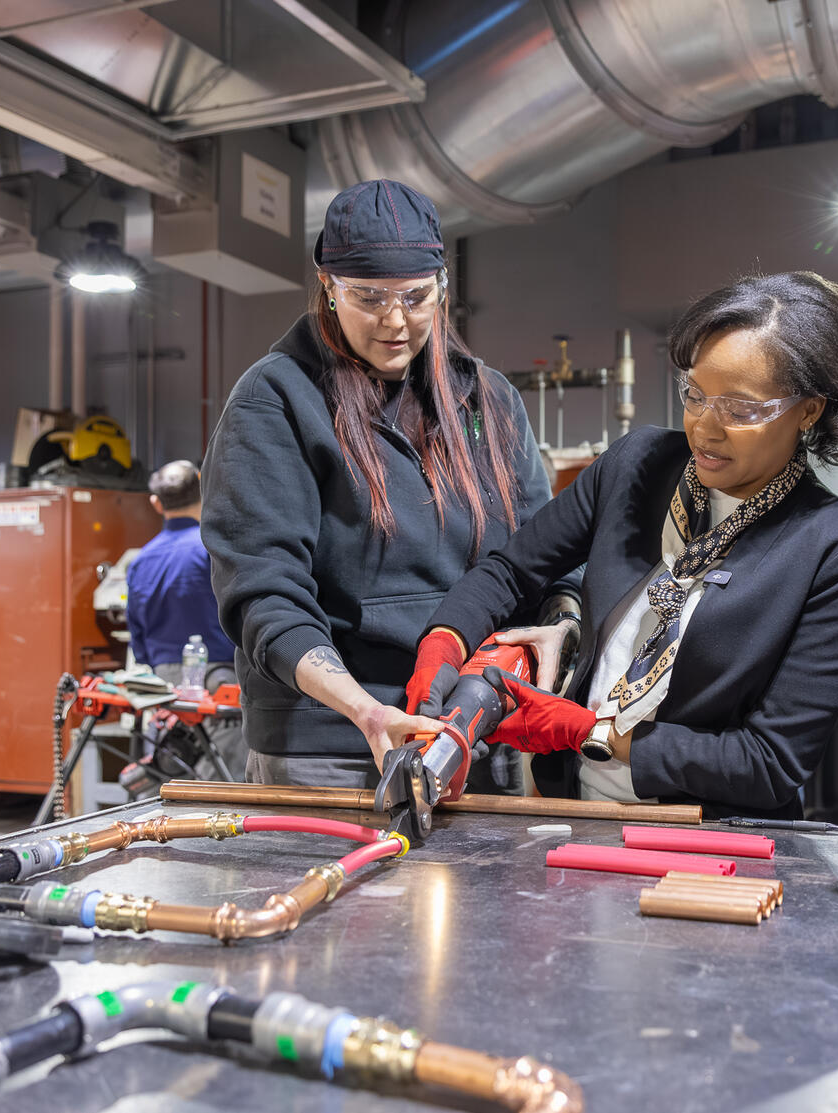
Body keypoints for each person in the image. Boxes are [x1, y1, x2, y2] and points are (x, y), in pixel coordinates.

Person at [409, 271, 838, 817]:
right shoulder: (638, 464)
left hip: (704, 835)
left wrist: (594, 733)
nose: (706, 428)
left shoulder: (837, 550)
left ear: (809, 410)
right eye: (696, 395)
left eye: (741, 410)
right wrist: (444, 640)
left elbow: (769, 763)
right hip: (576, 809)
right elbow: (513, 571)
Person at [201, 179, 577, 790]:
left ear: (442, 288)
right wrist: (366, 712)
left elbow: (546, 550)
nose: (395, 321)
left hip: (475, 726)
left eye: (415, 297)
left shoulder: (487, 399)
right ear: (327, 286)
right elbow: (262, 591)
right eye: (370, 298)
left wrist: (559, 624)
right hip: (335, 742)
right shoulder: (276, 400)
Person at [126, 460, 236, 683]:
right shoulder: (213, 548)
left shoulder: (141, 561)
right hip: (220, 675)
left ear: (156, 503)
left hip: (163, 679)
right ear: (202, 488)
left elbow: (135, 626)